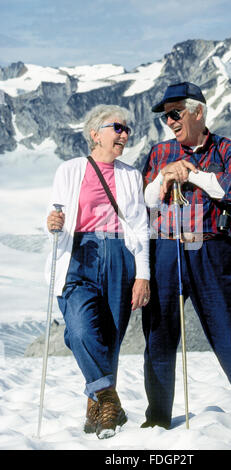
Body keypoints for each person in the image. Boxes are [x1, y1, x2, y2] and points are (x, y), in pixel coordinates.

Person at [141, 82, 231, 441]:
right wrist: (166, 175)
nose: (169, 122)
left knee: (227, 333)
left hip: (211, 249)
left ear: (197, 111)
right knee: (158, 335)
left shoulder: (230, 149)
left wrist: (191, 174)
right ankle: (157, 417)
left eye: (175, 113)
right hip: (165, 248)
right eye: (166, 116)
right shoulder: (158, 153)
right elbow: (146, 201)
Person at [45, 104, 150, 439]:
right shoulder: (70, 170)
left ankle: (99, 410)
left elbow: (141, 227)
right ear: (94, 133)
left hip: (121, 254)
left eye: (127, 129)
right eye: (117, 127)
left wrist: (143, 274)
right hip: (80, 253)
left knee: (110, 338)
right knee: (77, 329)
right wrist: (51, 223)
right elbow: (57, 214)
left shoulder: (131, 175)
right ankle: (108, 395)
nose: (124, 134)